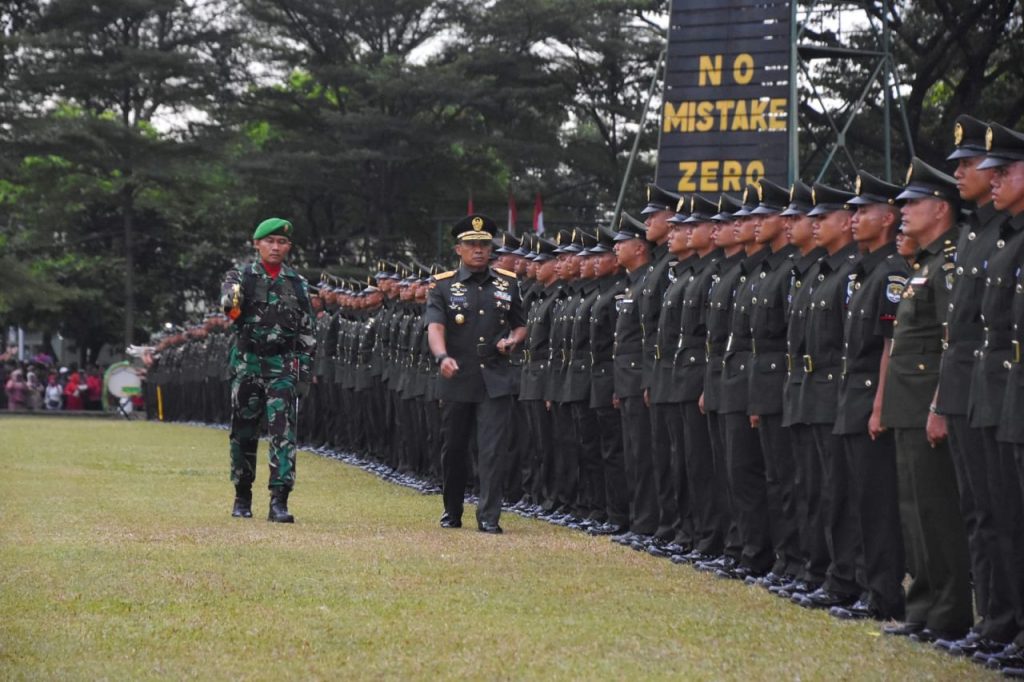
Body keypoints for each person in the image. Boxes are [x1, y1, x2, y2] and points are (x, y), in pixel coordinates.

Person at [882, 158, 973, 643]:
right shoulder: (926, 265)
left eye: (912, 203)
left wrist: (939, 406)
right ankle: (922, 607)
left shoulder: (951, 262)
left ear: (940, 209)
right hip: (906, 406)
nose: (903, 211)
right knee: (913, 510)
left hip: (928, 407)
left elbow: (950, 342)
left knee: (938, 512)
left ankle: (950, 612)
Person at [425, 213, 526, 534]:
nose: (479, 250)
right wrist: (441, 356)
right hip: (457, 377)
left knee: (492, 449)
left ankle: (489, 517)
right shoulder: (442, 285)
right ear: (459, 249)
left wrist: (513, 340)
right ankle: (452, 510)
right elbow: (435, 326)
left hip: (495, 378)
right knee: (454, 449)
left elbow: (521, 324)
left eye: (484, 244)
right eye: (472, 245)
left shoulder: (508, 283)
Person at [220, 217, 317, 523]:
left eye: (282, 242)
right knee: (243, 433)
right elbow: (229, 307)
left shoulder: (298, 283)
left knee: (283, 434)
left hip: (282, 367)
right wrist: (232, 299)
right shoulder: (241, 276)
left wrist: (303, 374)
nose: (276, 247)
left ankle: (279, 500)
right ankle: (242, 494)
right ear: (257, 244)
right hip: (248, 364)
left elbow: (307, 333)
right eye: (270, 241)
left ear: (288, 246)